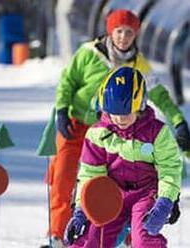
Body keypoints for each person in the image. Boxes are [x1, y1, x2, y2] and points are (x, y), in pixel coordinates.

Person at [47, 9, 190, 247]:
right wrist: (62, 108)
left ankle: (132, 236)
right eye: (119, 31)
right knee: (64, 177)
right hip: (81, 124)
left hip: (119, 134)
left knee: (123, 183)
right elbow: (68, 80)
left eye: (129, 32)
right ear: (109, 31)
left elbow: (161, 97)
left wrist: (178, 120)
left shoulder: (139, 65)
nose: (123, 37)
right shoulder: (88, 53)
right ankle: (57, 234)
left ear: (136, 34)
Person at [63, 66, 182, 248]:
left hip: (146, 194)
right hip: (111, 194)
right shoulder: (98, 134)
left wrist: (165, 201)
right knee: (92, 237)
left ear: (140, 105)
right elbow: (90, 175)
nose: (119, 119)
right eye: (113, 113)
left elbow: (169, 169)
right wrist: (81, 210)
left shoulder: (157, 132)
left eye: (125, 113)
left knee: (144, 236)